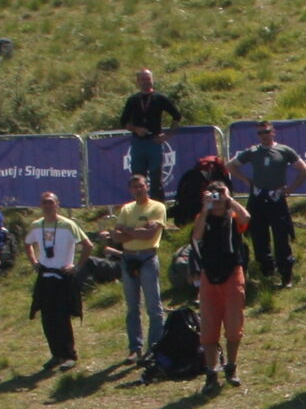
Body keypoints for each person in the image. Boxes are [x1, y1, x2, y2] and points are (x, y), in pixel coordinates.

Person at [228, 121, 306, 286]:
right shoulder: (253, 151)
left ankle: (285, 274)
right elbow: (230, 165)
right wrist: (245, 179)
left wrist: (291, 188)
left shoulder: (284, 150)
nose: (263, 136)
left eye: (266, 132)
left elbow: (304, 169)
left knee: (281, 237)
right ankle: (266, 270)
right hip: (258, 199)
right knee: (259, 236)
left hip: (276, 199)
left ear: (273, 132)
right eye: (260, 133)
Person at [103, 172, 169, 363]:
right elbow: (116, 237)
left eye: (141, 186)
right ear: (130, 189)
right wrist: (136, 231)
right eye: (135, 187)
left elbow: (149, 235)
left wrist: (127, 230)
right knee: (132, 307)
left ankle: (155, 347)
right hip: (128, 258)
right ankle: (135, 348)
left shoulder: (157, 207)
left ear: (146, 186)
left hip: (147, 258)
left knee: (153, 306)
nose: (138, 189)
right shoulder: (126, 209)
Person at [192, 183, 250, 391]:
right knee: (208, 328)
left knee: (234, 326)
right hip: (209, 275)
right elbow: (196, 237)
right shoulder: (203, 217)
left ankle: (231, 366)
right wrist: (205, 208)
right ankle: (211, 372)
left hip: (232, 273)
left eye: (220, 194)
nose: (217, 199)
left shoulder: (232, 216)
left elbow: (246, 219)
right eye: (213, 195)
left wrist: (229, 199)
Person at [24, 192, 91, 370]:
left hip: (62, 277)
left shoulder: (68, 225)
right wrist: (34, 262)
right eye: (44, 203)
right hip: (45, 277)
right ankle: (56, 354)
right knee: (47, 319)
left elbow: (88, 245)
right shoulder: (36, 225)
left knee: (62, 317)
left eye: (50, 202)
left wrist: (76, 267)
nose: (47, 206)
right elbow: (27, 244)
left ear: (57, 204)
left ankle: (69, 355)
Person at [118, 68, 180, 200]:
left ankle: (158, 207)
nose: (146, 82)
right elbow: (123, 122)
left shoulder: (160, 98)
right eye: (143, 79)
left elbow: (177, 116)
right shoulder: (133, 100)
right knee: (138, 178)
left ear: (152, 80)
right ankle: (140, 205)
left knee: (156, 178)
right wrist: (136, 129)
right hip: (138, 144)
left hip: (154, 143)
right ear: (138, 81)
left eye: (148, 79)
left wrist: (168, 135)